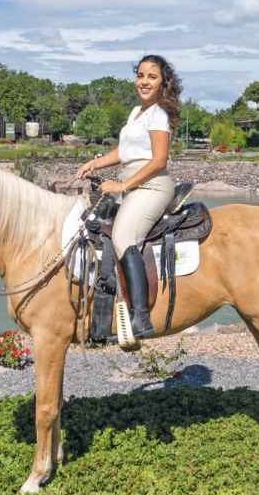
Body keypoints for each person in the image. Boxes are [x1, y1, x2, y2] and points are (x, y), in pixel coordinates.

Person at [76, 54, 181, 339]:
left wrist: (122, 187)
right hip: (133, 182)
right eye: (141, 75)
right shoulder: (136, 112)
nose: (144, 82)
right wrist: (94, 164)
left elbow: (159, 160)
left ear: (163, 83)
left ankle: (140, 317)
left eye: (152, 77)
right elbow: (124, 153)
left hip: (152, 186)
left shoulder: (159, 114)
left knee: (124, 237)